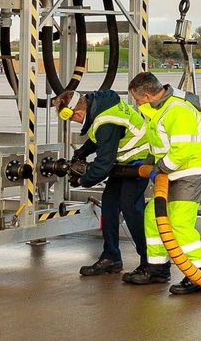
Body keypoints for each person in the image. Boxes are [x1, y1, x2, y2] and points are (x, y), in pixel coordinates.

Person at [56, 88, 166, 284]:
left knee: (130, 207)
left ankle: (152, 264)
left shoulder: (106, 121)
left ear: (78, 112)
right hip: (124, 162)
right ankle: (111, 257)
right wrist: (83, 151)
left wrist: (82, 180)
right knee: (109, 204)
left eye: (71, 118)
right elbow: (99, 137)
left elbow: (103, 165)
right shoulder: (98, 106)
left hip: (139, 161)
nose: (74, 121)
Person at [128, 72, 201, 294]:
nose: (136, 103)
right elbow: (158, 143)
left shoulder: (178, 110)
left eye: (137, 99)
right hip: (170, 172)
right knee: (152, 217)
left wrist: (159, 168)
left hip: (189, 172)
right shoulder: (157, 109)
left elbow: (182, 150)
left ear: (147, 96)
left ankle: (199, 274)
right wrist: (149, 162)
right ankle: (157, 269)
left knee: (179, 223)